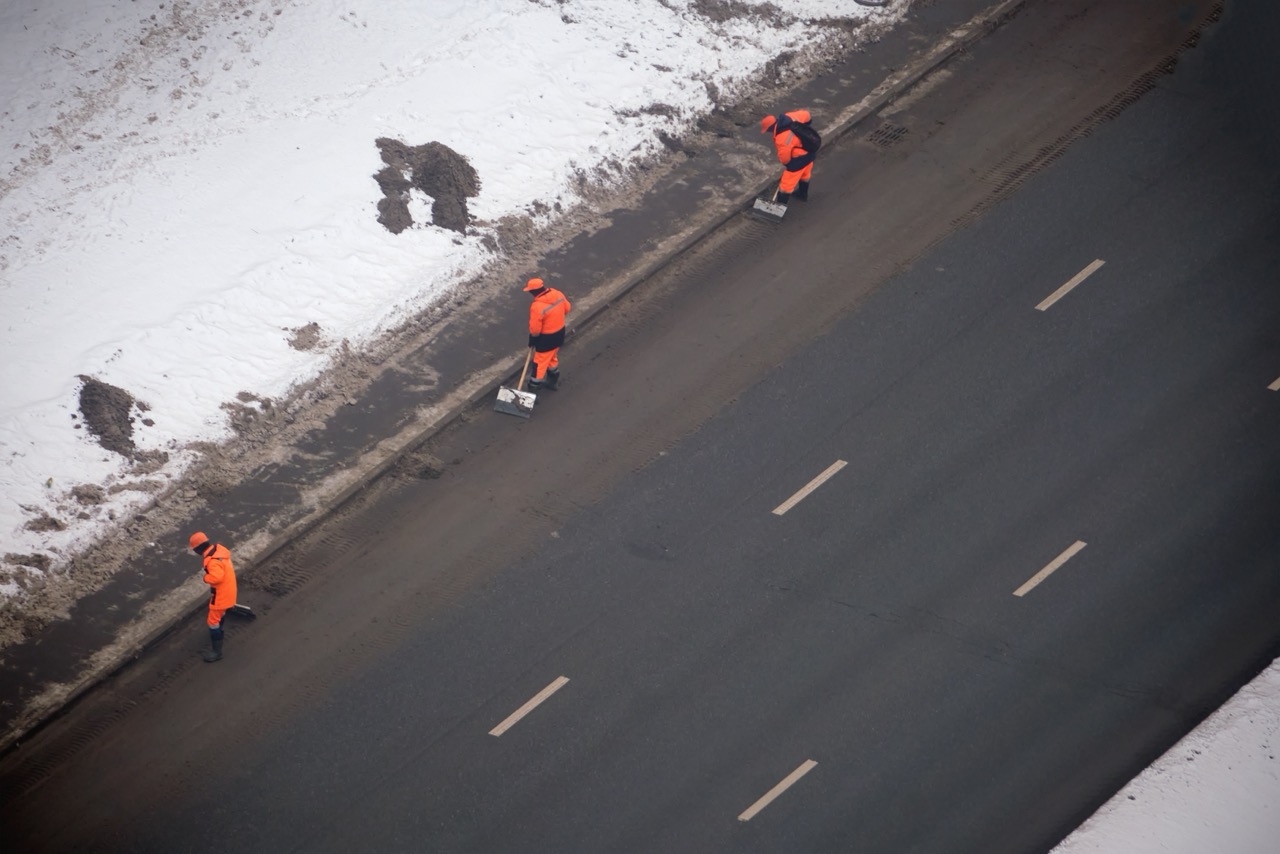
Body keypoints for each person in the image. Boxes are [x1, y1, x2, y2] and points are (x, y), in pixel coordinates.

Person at [190, 531, 238, 662]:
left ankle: (217, 651)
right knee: (219, 614)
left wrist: (206, 578)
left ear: (198, 549)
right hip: (229, 590)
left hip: (221, 595)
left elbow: (216, 577)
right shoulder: (218, 551)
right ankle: (219, 627)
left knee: (212, 621)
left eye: (194, 549)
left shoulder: (211, 562)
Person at [760, 109, 820, 203]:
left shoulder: (782, 138)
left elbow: (785, 157)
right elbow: (807, 115)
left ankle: (777, 210)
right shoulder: (790, 116)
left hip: (799, 158)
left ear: (770, 128)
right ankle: (802, 194)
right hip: (809, 150)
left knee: (786, 185)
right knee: (805, 174)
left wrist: (789, 165)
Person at [524, 276, 572, 391]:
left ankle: (533, 390)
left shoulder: (537, 306)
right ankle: (552, 381)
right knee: (551, 358)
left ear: (533, 291)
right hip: (559, 334)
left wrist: (533, 338)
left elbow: (535, 329)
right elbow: (567, 308)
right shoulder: (557, 294)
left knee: (539, 364)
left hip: (546, 339)